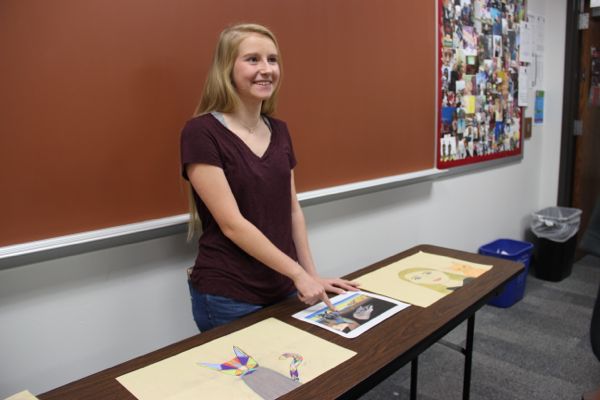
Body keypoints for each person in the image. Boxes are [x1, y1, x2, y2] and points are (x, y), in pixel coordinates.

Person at [180, 23, 358, 332]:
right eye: (252, 59)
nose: (266, 70)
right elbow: (232, 225)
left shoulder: (280, 130)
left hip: (283, 285)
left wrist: (310, 274)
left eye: (272, 60)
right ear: (226, 68)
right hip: (229, 295)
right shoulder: (201, 133)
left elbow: (292, 210)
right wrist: (299, 275)